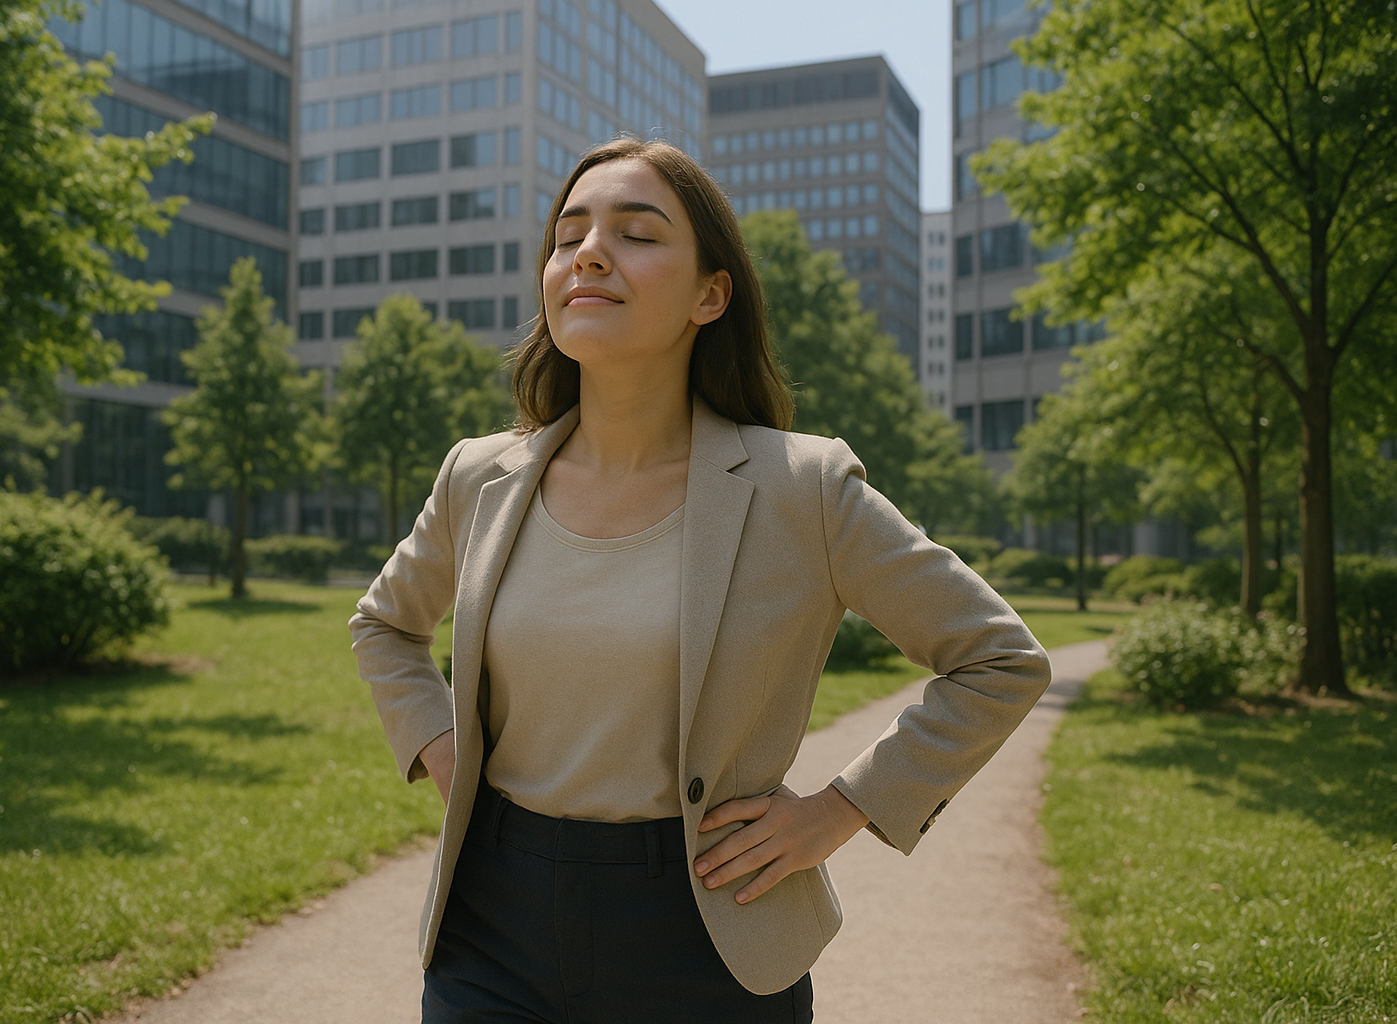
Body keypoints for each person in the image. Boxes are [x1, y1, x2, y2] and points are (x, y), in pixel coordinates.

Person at [349, 137, 1051, 1023]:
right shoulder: (477, 476)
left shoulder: (803, 489)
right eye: (567, 237)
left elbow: (998, 659)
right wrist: (445, 753)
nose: (588, 253)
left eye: (636, 234)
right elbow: (384, 625)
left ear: (710, 295)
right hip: (491, 930)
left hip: (711, 942)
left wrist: (842, 809)